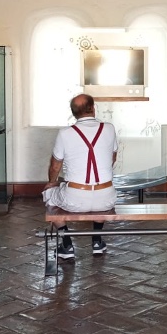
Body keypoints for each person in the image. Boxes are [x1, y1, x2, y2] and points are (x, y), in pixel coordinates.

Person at [43, 93, 118, 259]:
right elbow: (112, 158)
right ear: (93, 108)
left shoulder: (65, 133)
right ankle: (97, 241)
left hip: (74, 198)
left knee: (49, 196)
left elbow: (55, 166)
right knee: (100, 198)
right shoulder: (109, 128)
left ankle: (67, 244)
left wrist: (52, 183)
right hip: (106, 196)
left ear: (74, 113)